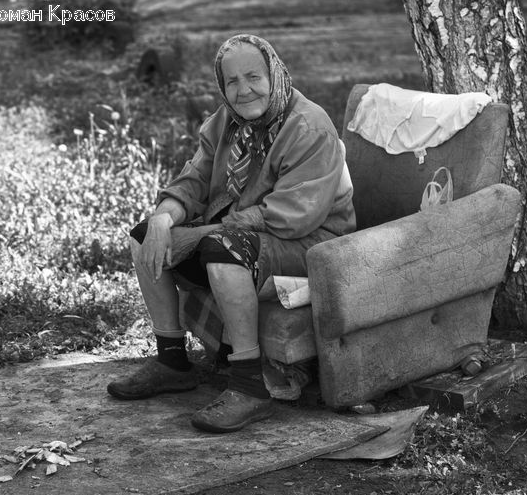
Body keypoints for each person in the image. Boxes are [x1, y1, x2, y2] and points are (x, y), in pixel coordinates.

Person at [107, 34, 356, 432]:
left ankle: (249, 386)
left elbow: (294, 215)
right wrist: (162, 219)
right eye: (232, 82)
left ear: (274, 74)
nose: (243, 91)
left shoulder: (308, 126)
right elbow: (193, 181)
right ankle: (173, 361)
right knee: (144, 238)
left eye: (253, 77)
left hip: (311, 243)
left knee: (224, 251)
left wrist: (205, 231)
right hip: (246, 232)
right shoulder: (227, 121)